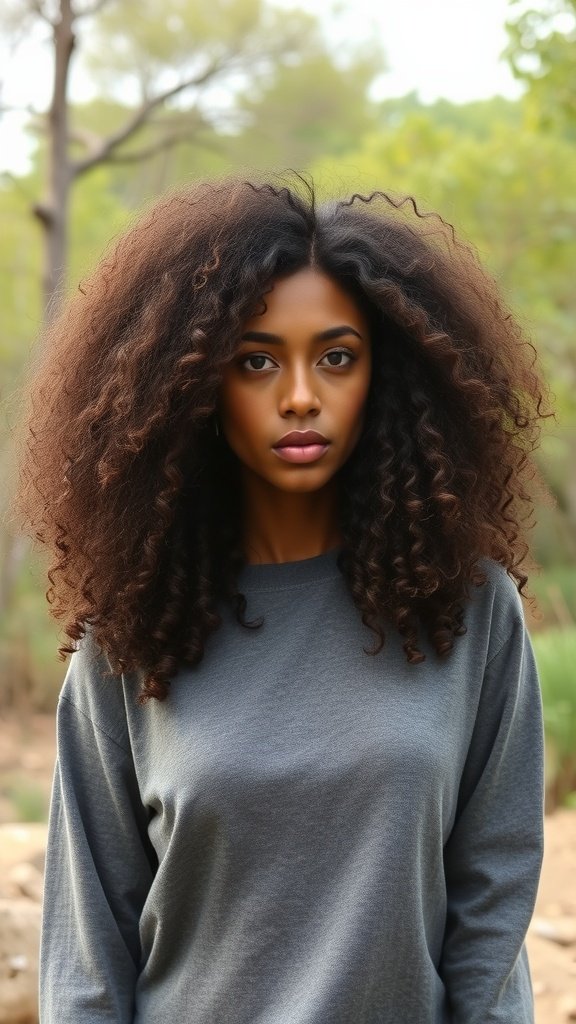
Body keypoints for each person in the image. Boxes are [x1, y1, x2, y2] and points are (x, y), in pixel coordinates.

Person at [16, 176, 548, 1023]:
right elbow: (88, 956)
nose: (300, 394)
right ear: (193, 384)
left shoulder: (467, 612)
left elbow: (492, 908)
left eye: (336, 356)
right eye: (256, 360)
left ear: (387, 374)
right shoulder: (133, 634)